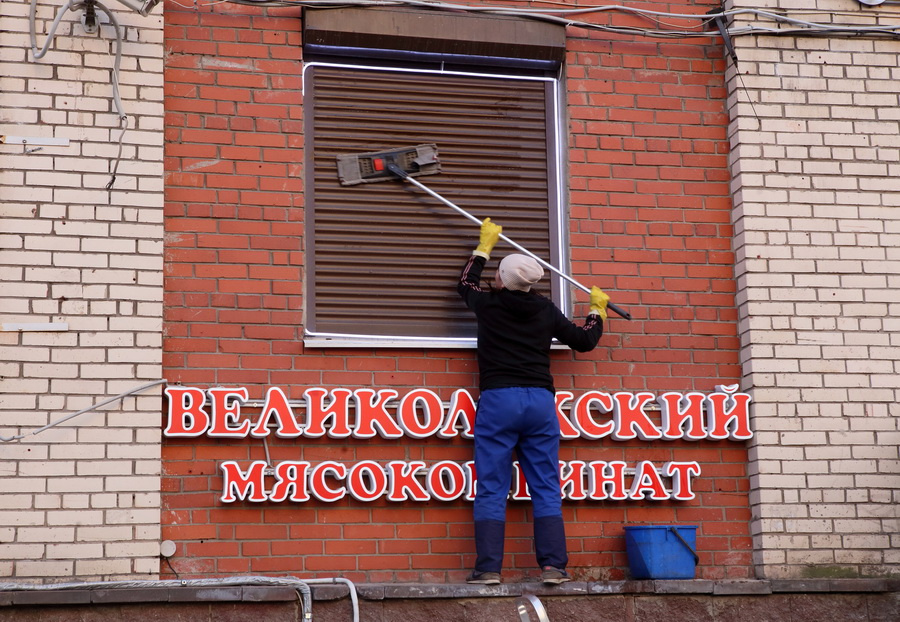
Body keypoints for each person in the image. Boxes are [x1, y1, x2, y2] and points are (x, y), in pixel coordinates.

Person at [458, 217, 609, 586]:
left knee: (492, 485)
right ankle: (554, 567)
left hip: (499, 400)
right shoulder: (544, 310)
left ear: (503, 280)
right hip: (540, 402)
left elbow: (464, 283)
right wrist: (596, 311)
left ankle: (488, 569)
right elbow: (585, 340)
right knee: (545, 485)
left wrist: (483, 248)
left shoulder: (488, 305)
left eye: (498, 273)